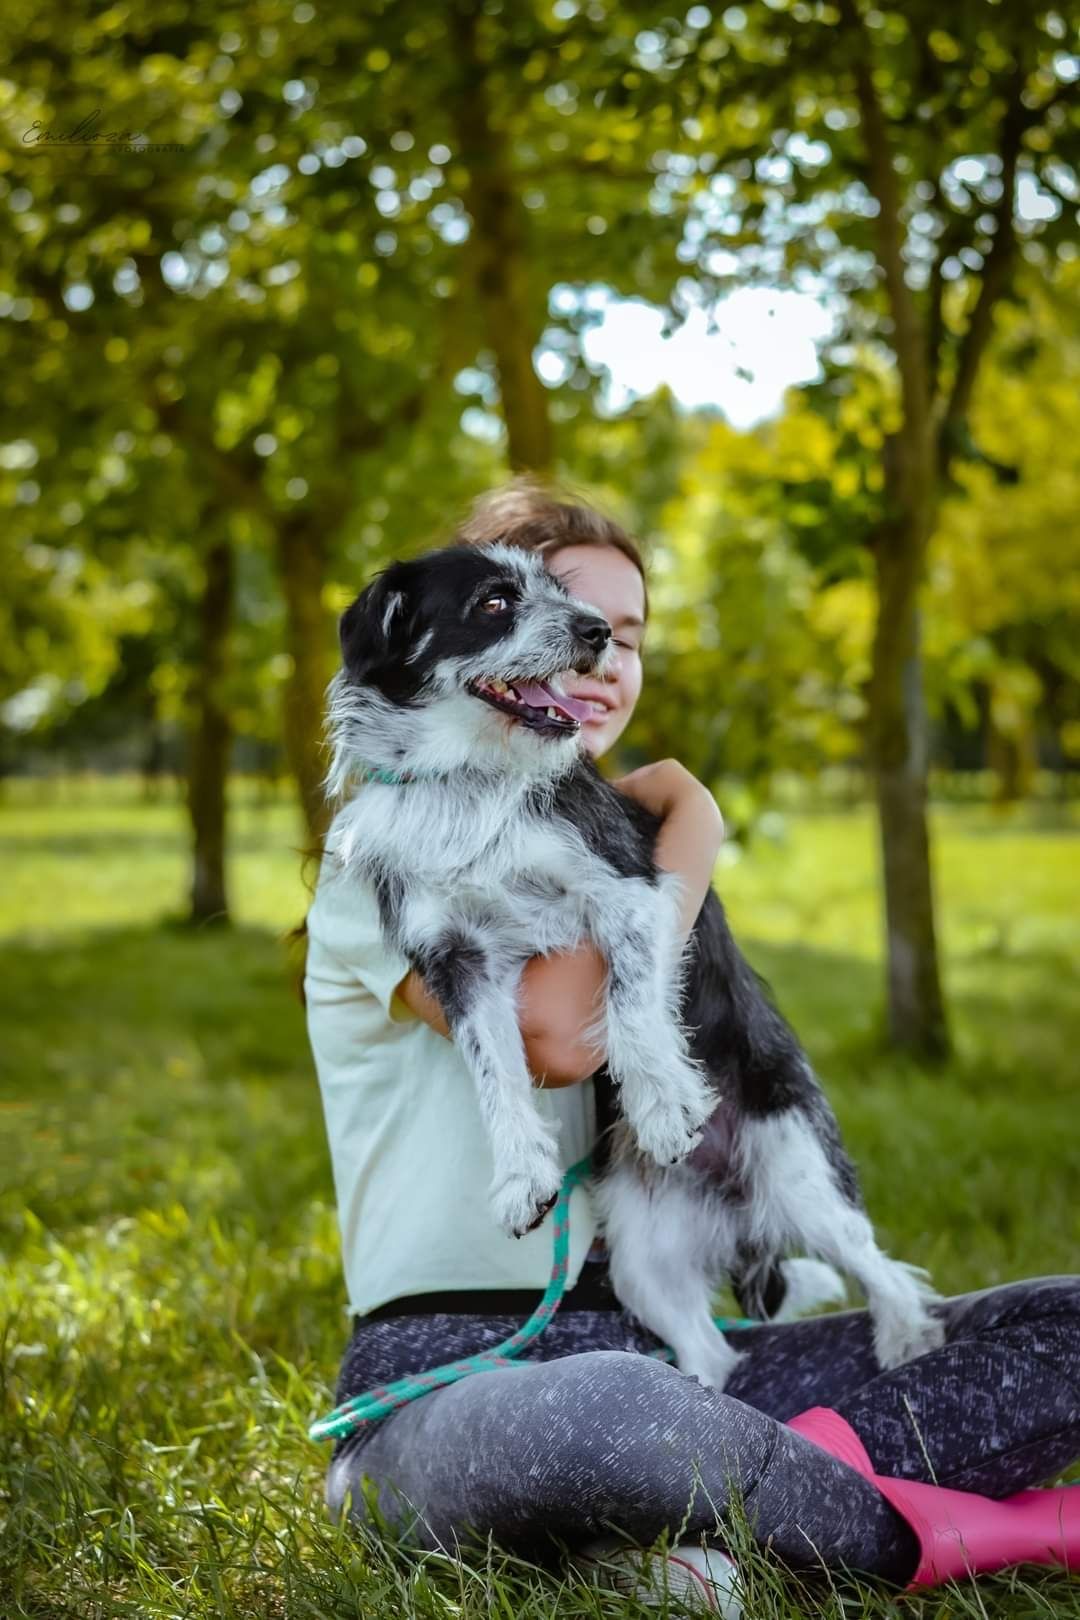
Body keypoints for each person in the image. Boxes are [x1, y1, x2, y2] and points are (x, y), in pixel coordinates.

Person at [302, 477, 1080, 1612]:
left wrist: (648, 843)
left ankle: (721, 1515)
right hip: (454, 1394)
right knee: (614, 1412)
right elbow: (561, 1040)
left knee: (1063, 1323)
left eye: (625, 636)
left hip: (683, 1358)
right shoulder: (367, 863)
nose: (597, 657)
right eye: (571, 618)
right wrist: (691, 831)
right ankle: (945, 1530)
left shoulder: (597, 839)